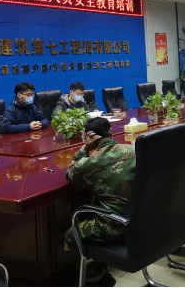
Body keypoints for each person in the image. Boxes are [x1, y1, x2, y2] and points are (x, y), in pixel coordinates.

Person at [63, 117, 135, 283]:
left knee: (71, 234)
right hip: (143, 220)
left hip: (117, 227)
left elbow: (70, 174)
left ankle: (95, 278)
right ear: (111, 132)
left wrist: (84, 149)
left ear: (89, 137)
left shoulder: (90, 163)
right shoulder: (134, 151)